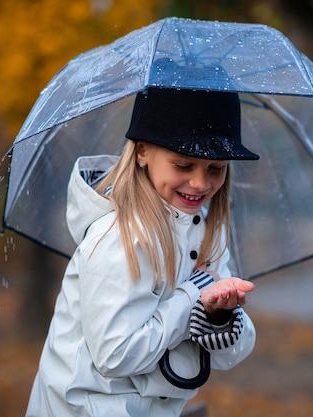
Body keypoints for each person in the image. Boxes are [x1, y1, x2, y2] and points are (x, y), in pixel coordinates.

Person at [25, 86, 259, 417]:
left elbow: (231, 354)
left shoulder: (207, 231)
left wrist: (218, 316)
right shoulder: (117, 238)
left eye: (215, 169)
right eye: (184, 164)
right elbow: (115, 354)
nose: (200, 184)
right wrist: (192, 297)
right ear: (143, 152)